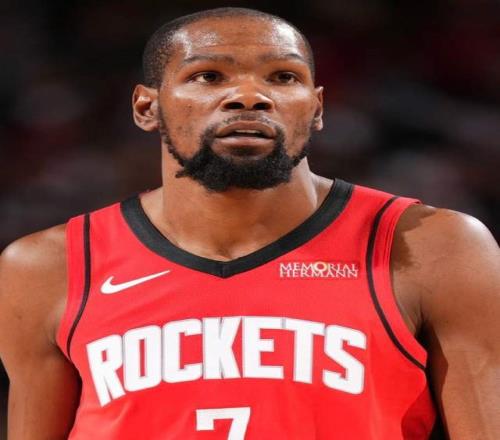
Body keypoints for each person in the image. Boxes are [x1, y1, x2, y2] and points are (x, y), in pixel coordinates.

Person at [0, 7, 499, 439]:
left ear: (317, 108)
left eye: (282, 77)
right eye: (207, 76)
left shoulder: (434, 247)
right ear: (146, 107)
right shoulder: (48, 268)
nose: (249, 96)